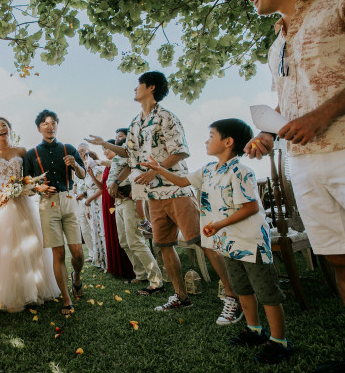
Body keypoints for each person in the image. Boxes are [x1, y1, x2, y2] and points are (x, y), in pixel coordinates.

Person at [245, 0, 345, 373]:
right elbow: (287, 100)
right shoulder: (276, 42)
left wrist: (322, 115)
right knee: (342, 258)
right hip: (304, 163)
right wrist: (268, 134)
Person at [87, 71, 241, 325]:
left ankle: (233, 296)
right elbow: (129, 153)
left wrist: (151, 172)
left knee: (202, 241)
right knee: (163, 245)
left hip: (176, 190)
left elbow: (179, 152)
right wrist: (105, 143)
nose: (134, 89)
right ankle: (181, 297)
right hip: (154, 196)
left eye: (138, 85)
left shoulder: (167, 117)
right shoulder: (136, 122)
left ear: (151, 87)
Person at [145, 118, 292, 364]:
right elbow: (182, 182)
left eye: (210, 135)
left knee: (267, 293)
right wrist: (158, 169)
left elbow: (251, 207)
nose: (206, 139)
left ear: (228, 142)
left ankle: (279, 342)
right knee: (243, 289)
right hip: (229, 244)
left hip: (250, 242)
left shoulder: (241, 171)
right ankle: (254, 330)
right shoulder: (208, 170)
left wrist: (218, 225)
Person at [0, 117, 60, 312]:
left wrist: (21, 186)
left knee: (29, 244)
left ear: (10, 128)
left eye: (4, 125)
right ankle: (2, 290)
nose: (1, 128)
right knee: (3, 246)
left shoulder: (21, 151)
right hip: (1, 204)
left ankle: (34, 289)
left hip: (22, 202)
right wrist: (0, 189)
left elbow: (29, 176)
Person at [23, 109, 86, 315]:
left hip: (68, 200)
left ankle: (76, 276)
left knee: (77, 251)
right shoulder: (31, 154)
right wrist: (38, 188)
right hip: (46, 203)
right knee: (58, 253)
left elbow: (83, 174)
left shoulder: (69, 148)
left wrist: (74, 164)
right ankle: (66, 299)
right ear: (39, 128)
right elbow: (27, 183)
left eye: (53, 123)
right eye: (45, 123)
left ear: (57, 125)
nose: (50, 127)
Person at [102, 140, 163, 290]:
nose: (118, 142)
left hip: (130, 202)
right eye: (117, 139)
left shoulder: (133, 158)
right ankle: (141, 274)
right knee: (124, 241)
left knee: (135, 241)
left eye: (122, 138)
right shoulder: (116, 160)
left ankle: (156, 280)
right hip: (118, 203)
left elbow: (134, 174)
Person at [97, 140, 135, 279]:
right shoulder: (114, 163)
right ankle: (131, 270)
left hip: (123, 198)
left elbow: (130, 171)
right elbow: (103, 184)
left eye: (107, 148)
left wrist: (116, 185)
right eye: (103, 149)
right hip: (113, 200)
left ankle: (138, 271)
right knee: (122, 239)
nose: (105, 151)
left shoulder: (125, 160)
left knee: (132, 240)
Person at [74, 143, 94, 263]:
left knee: (93, 226)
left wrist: (84, 194)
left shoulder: (92, 165)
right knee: (85, 229)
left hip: (90, 200)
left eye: (82, 151)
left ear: (88, 151)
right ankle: (92, 254)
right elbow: (75, 185)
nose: (80, 153)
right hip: (79, 202)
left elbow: (94, 184)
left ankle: (99, 254)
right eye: (78, 152)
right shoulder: (78, 167)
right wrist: (75, 195)